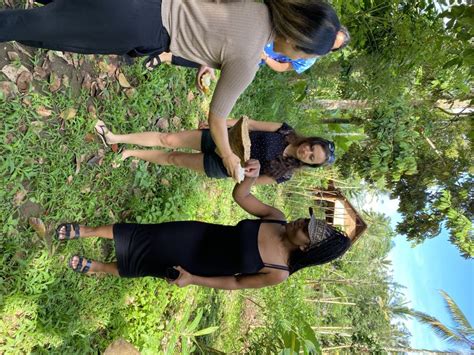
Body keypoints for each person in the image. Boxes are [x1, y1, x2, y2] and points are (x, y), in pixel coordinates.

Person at [0, 0, 341, 181]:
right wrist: (229, 157)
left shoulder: (259, 6)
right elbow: (218, 117)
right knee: (30, 26)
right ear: (297, 42)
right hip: (138, 27)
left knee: (48, 19)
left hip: (150, 5)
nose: (299, 59)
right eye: (306, 55)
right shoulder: (249, 61)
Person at [55, 160, 351, 289]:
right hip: (197, 233)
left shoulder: (278, 273)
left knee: (150, 266)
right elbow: (242, 195)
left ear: (306, 247)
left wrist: (192, 279)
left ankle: (99, 268)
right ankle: (88, 231)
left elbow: (235, 282)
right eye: (307, 220)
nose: (301, 221)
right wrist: (251, 173)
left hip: (200, 265)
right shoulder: (276, 217)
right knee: (145, 234)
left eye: (305, 229)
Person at [94, 118, 336, 185]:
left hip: (223, 167)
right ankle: (114, 137)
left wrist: (249, 173)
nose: (307, 152)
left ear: (310, 164)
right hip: (223, 138)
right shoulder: (285, 131)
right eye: (312, 147)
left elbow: (249, 184)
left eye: (312, 157)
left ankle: (129, 153)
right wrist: (219, 122)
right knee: (168, 139)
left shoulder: (284, 175)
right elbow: (249, 123)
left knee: (174, 158)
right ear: (311, 141)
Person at [260, 26, 351, 74]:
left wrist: (265, 57)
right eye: (331, 37)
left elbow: (281, 67)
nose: (326, 41)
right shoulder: (308, 23)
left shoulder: (308, 60)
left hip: (257, 55)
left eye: (330, 45)